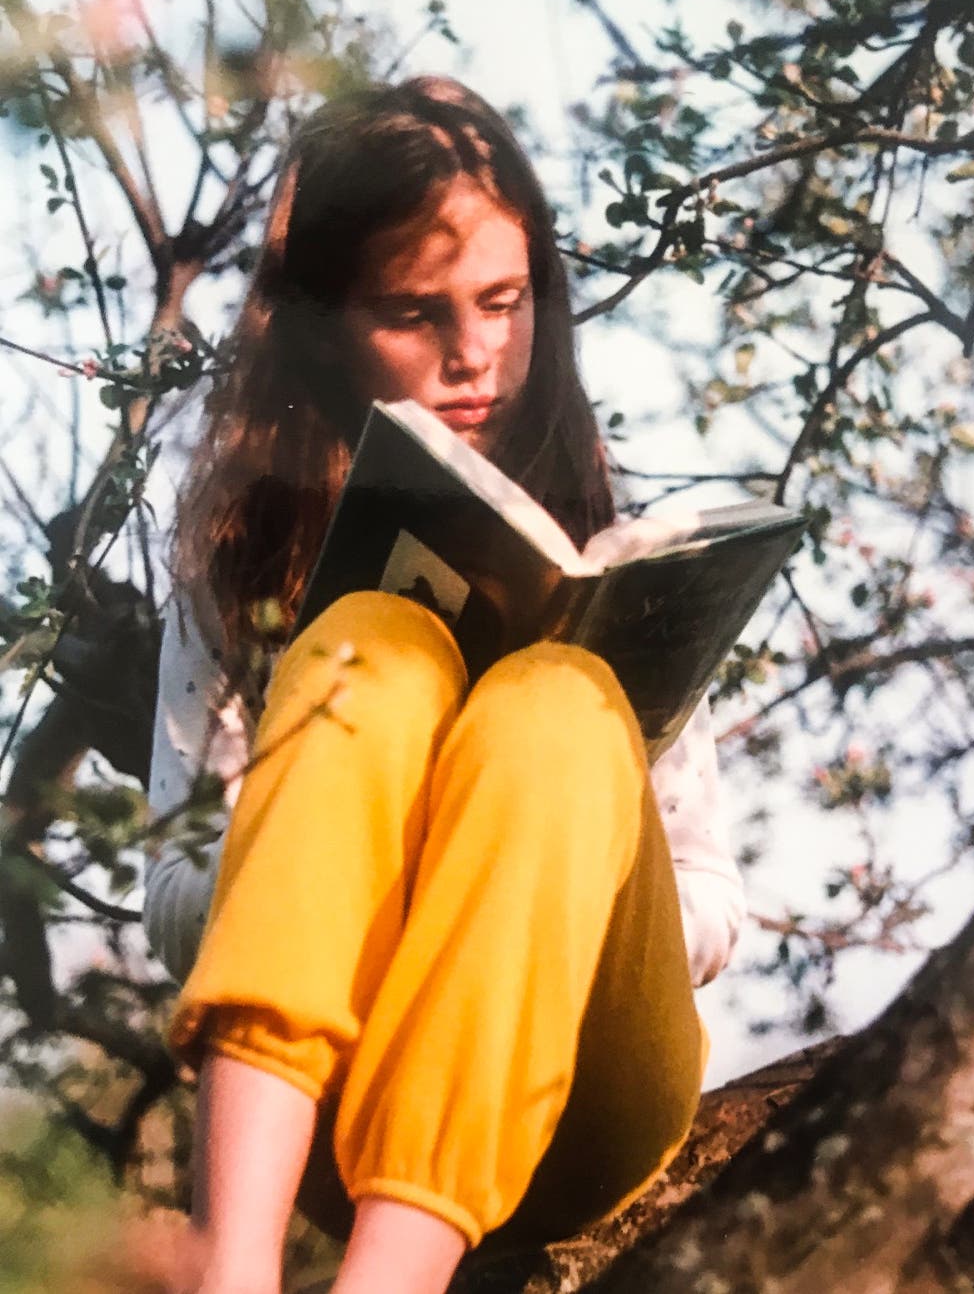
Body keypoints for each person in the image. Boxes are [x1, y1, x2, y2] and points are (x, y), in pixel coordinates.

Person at [142, 75, 745, 1291]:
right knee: (368, 642)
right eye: (414, 314)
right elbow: (165, 888)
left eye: (506, 302)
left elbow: (717, 903)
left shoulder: (595, 518)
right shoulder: (237, 548)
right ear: (323, 326)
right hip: (329, 1115)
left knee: (553, 707)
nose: (476, 356)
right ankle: (235, 1268)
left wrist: (515, 862)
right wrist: (345, 842)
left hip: (588, 1085)